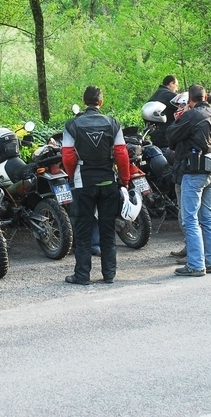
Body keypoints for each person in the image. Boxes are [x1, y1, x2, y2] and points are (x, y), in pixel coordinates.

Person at [61, 86, 131, 285]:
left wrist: (73, 174)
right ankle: (109, 274)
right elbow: (122, 155)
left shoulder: (72, 125)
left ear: (84, 102)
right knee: (107, 229)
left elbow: (67, 155)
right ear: (101, 102)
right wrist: (124, 180)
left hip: (84, 182)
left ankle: (82, 275)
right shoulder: (113, 123)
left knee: (83, 228)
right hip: (108, 180)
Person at [166, 84, 211, 276]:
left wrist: (181, 115)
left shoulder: (191, 116)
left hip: (192, 172)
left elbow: (170, 137)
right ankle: (210, 261)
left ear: (190, 101)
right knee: (207, 218)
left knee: (190, 219)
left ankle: (195, 264)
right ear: (205, 97)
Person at [148, 75, 179, 149]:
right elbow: (191, 103)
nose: (177, 89)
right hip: (166, 138)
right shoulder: (169, 96)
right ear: (171, 83)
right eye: (176, 86)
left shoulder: (155, 95)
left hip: (154, 137)